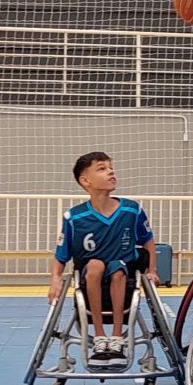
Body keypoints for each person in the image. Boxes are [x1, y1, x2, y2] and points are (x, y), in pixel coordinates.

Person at [47, 152, 159, 367]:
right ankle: (99, 336)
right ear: (85, 181)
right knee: (96, 265)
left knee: (117, 268)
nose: (111, 171)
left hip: (123, 274)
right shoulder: (74, 217)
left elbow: (148, 240)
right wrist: (55, 279)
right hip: (91, 275)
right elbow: (61, 254)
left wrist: (151, 270)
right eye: (102, 168)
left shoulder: (131, 210)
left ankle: (116, 338)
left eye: (111, 167)